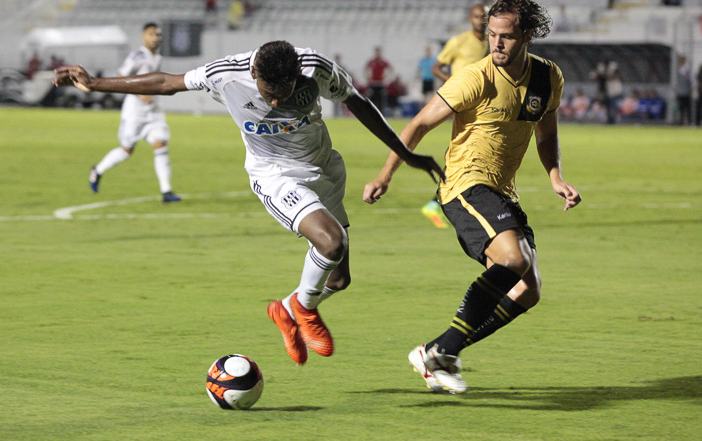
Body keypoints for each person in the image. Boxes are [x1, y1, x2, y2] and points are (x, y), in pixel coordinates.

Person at [54, 40, 444, 366]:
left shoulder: (316, 68)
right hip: (274, 173)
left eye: (282, 94)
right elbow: (167, 82)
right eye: (267, 93)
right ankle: (304, 309)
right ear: (254, 72)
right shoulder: (226, 73)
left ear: (296, 77)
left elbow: (358, 103)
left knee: (339, 279)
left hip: (323, 167)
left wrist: (403, 154)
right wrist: (96, 82)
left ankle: (288, 309)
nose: (273, 103)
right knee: (330, 242)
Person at [363, 0, 581, 393]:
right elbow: (418, 124)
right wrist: (385, 175)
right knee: (514, 259)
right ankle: (442, 352)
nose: (496, 43)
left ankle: (437, 350)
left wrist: (555, 177)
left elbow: (546, 133)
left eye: (506, 36)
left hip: (502, 190)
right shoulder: (474, 78)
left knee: (528, 290)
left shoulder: (548, 77)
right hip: (464, 183)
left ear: (528, 35)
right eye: (491, 34)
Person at [85, 23, 180, 203]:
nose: (155, 38)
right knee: (126, 150)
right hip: (134, 113)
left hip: (154, 112)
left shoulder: (157, 57)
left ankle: (166, 191)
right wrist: (140, 93)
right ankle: (97, 170)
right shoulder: (137, 56)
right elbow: (122, 76)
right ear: (143, 37)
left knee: (161, 145)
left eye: (158, 35)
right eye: (151, 34)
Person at [423, 3, 489, 229]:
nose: (481, 20)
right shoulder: (458, 41)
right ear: (470, 19)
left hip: (476, 104)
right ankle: (439, 202)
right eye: (477, 16)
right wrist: (455, 83)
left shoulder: (487, 42)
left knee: (471, 152)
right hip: (461, 102)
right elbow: (436, 67)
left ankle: (440, 201)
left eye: (484, 16)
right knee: (467, 152)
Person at [364, 46, 392, 114]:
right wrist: (367, 77)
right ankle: (371, 113)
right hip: (373, 83)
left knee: (381, 100)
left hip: (381, 83)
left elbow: (390, 69)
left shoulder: (383, 61)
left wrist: (386, 77)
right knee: (372, 99)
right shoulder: (372, 61)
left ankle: (380, 113)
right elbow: (365, 68)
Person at [676, 54, 692, 125]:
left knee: (688, 108)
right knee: (681, 108)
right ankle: (681, 121)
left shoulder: (687, 69)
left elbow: (690, 80)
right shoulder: (678, 69)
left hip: (687, 92)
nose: (681, 61)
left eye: (682, 59)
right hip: (680, 92)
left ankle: (689, 121)